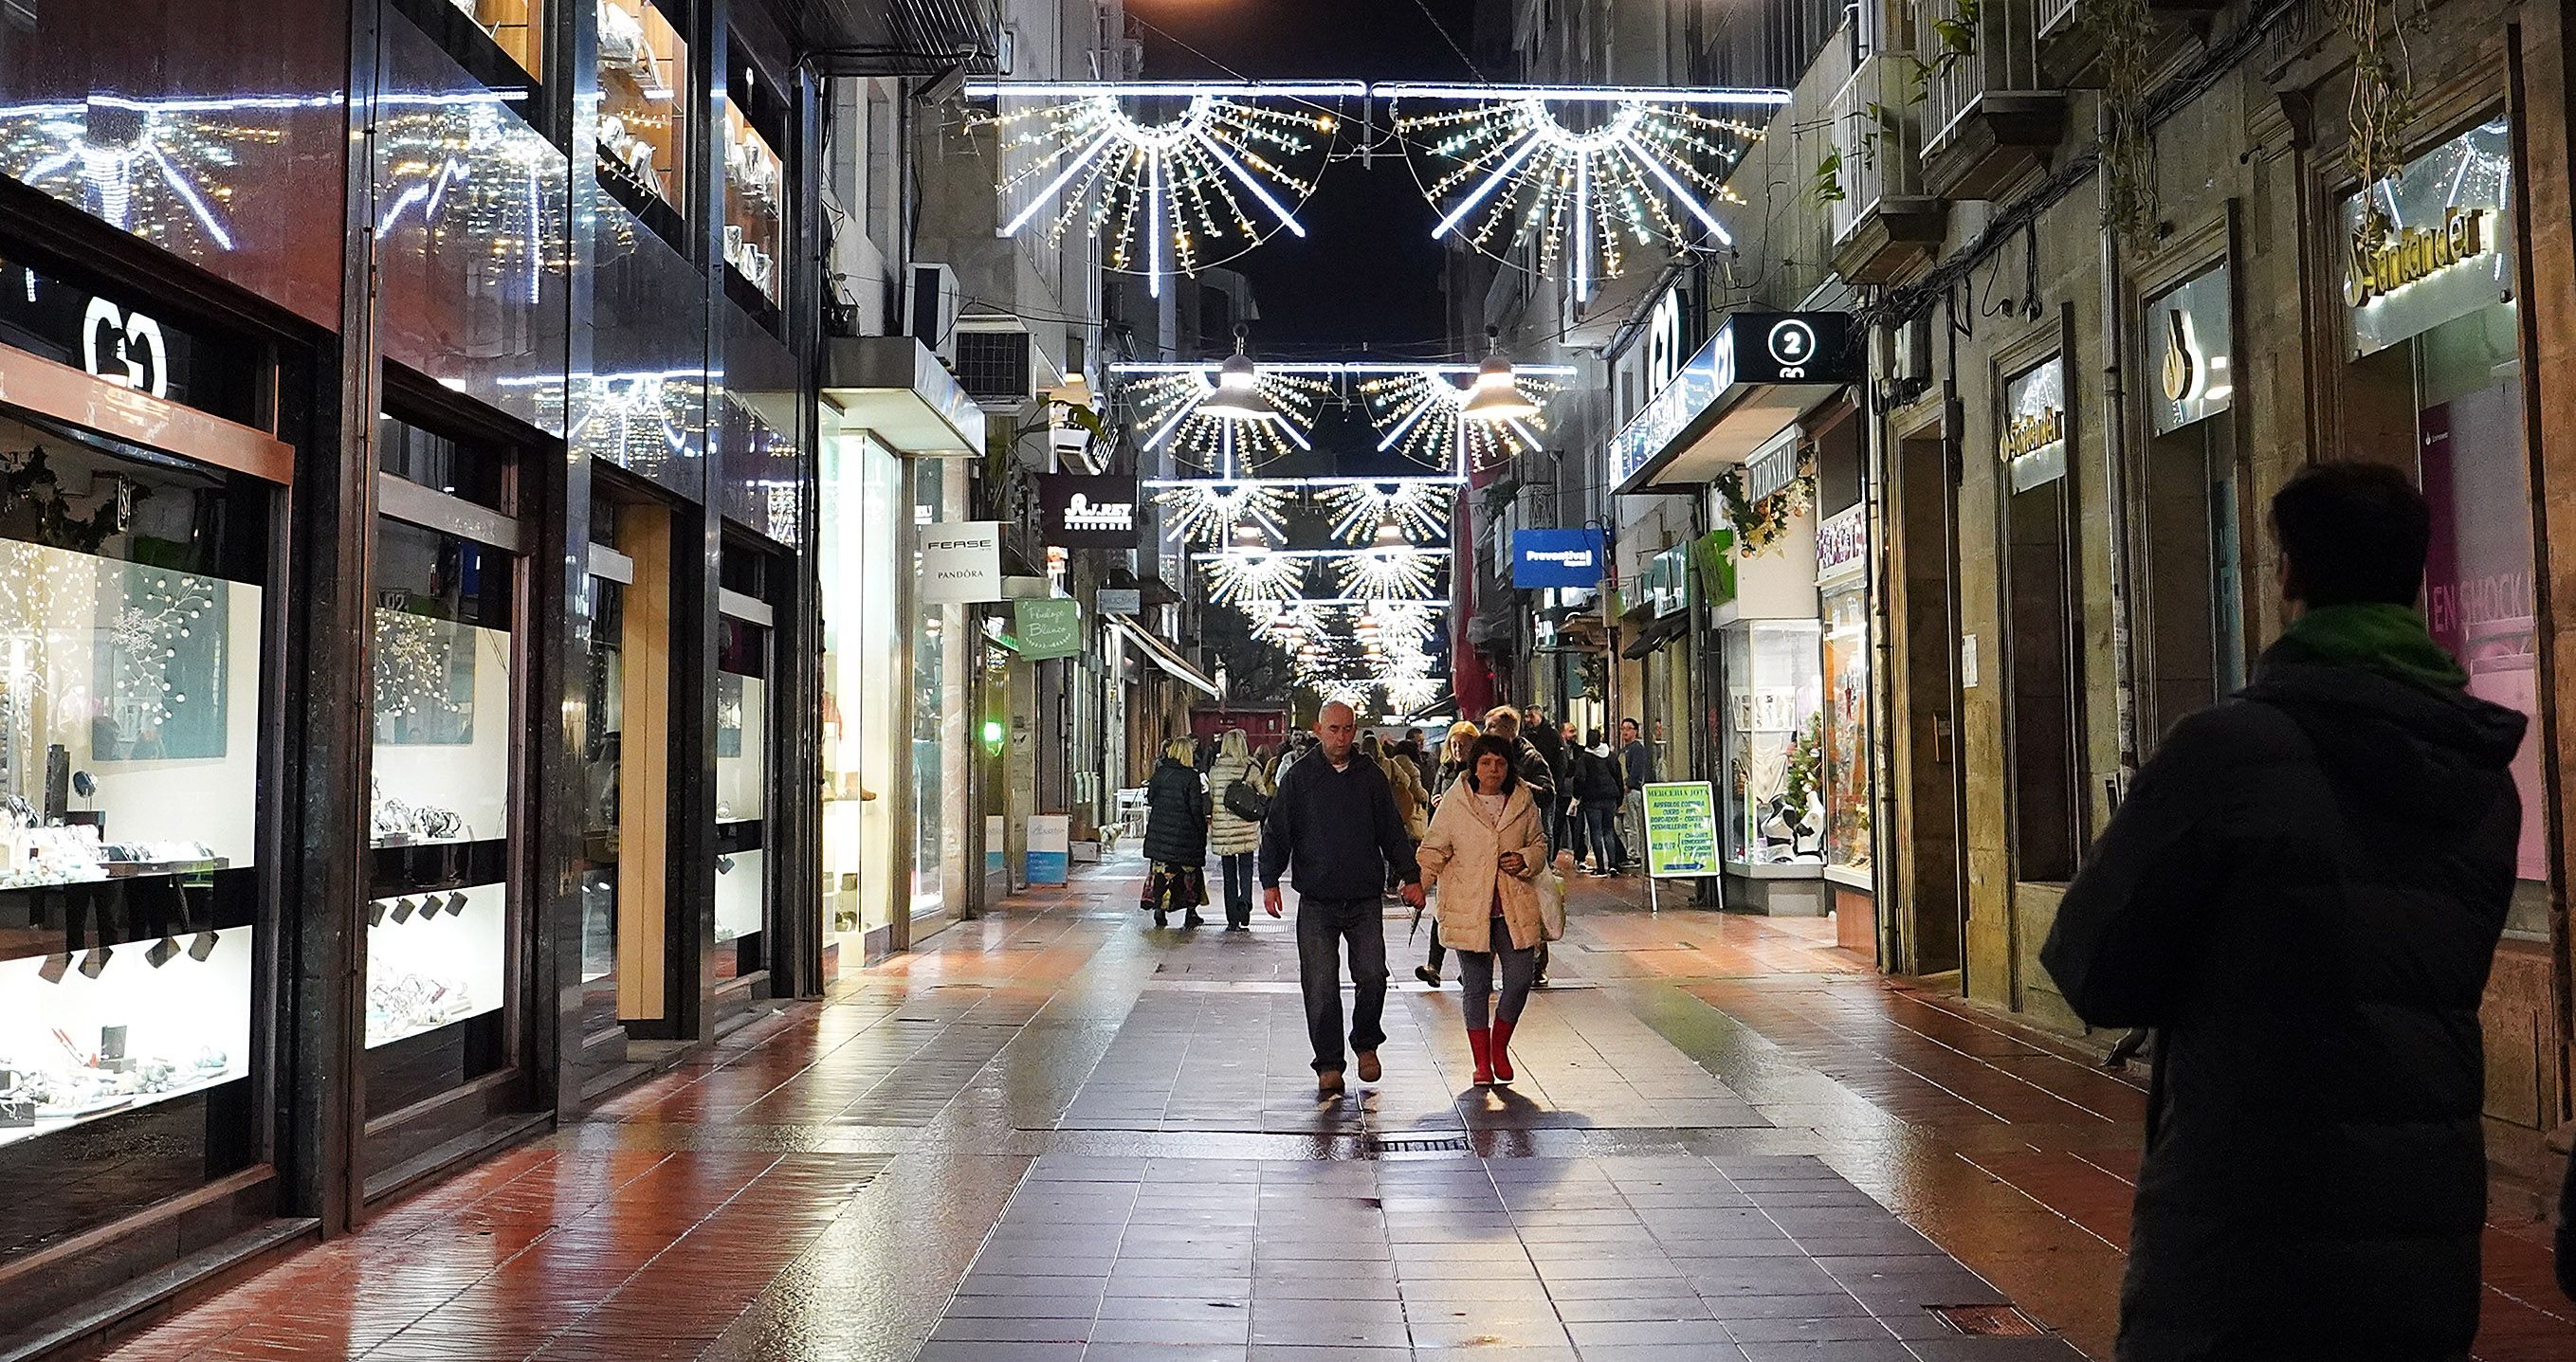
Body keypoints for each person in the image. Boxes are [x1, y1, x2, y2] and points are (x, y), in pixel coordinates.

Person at [2038, 463, 2527, 1362]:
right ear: (2412, 577)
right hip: (2422, 1220)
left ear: (2289, 574)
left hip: (2244, 1214)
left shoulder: (2225, 752)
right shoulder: (2481, 777)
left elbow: (2091, 964)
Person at [1262, 701, 1425, 1094]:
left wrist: (1410, 876)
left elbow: (1391, 829)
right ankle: (1329, 1062)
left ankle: (1366, 1043)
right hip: (1317, 899)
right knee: (1320, 983)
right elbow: (1278, 831)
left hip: (1364, 897)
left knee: (1372, 976)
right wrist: (1269, 880)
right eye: (1334, 729)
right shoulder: (1300, 779)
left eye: (1348, 729)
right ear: (1318, 729)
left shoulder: (1370, 777)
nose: (1341, 737)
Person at [1416, 735, 1550, 1086]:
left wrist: (1523, 859)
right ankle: (1481, 1063)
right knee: (1476, 986)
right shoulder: (1456, 802)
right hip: (1468, 906)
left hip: (1513, 905)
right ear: (1474, 765)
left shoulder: (1522, 800)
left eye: (1501, 763)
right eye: (1486, 762)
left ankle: (1499, 1048)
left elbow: (1539, 844)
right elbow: (1434, 848)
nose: (1493, 770)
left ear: (1509, 768)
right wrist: (1417, 882)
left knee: (1520, 980)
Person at [1416, 719, 1483, 990]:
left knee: (1468, 912)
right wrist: (1437, 805)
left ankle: (1471, 970)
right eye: (1454, 745)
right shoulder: (1444, 771)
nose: (1457, 750)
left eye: (1463, 745)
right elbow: (1435, 809)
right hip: (1447, 850)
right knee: (1443, 909)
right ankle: (1434, 965)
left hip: (1471, 851)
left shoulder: (1478, 772)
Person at [1140, 736, 1211, 929]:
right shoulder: (1191, 777)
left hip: (1160, 834)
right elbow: (1196, 808)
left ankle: (1159, 910)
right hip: (1184, 835)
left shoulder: (1160, 773)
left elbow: (1151, 798)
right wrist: (1201, 829)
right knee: (1189, 874)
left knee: (1162, 872)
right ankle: (1191, 912)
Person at [1205, 729, 1268, 931]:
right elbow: (1264, 796)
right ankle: (1245, 904)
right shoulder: (1251, 768)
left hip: (1224, 832)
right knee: (1247, 870)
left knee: (1229, 875)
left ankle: (1232, 918)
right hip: (1246, 829)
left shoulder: (1215, 771)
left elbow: (1214, 798)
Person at [1572, 730, 1626, 874]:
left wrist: (1577, 796)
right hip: (1610, 797)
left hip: (1592, 799)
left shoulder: (1585, 757)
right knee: (1608, 830)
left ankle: (1601, 867)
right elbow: (1618, 777)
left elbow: (1580, 778)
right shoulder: (1611, 755)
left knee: (1595, 832)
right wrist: (1619, 797)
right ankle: (1613, 864)